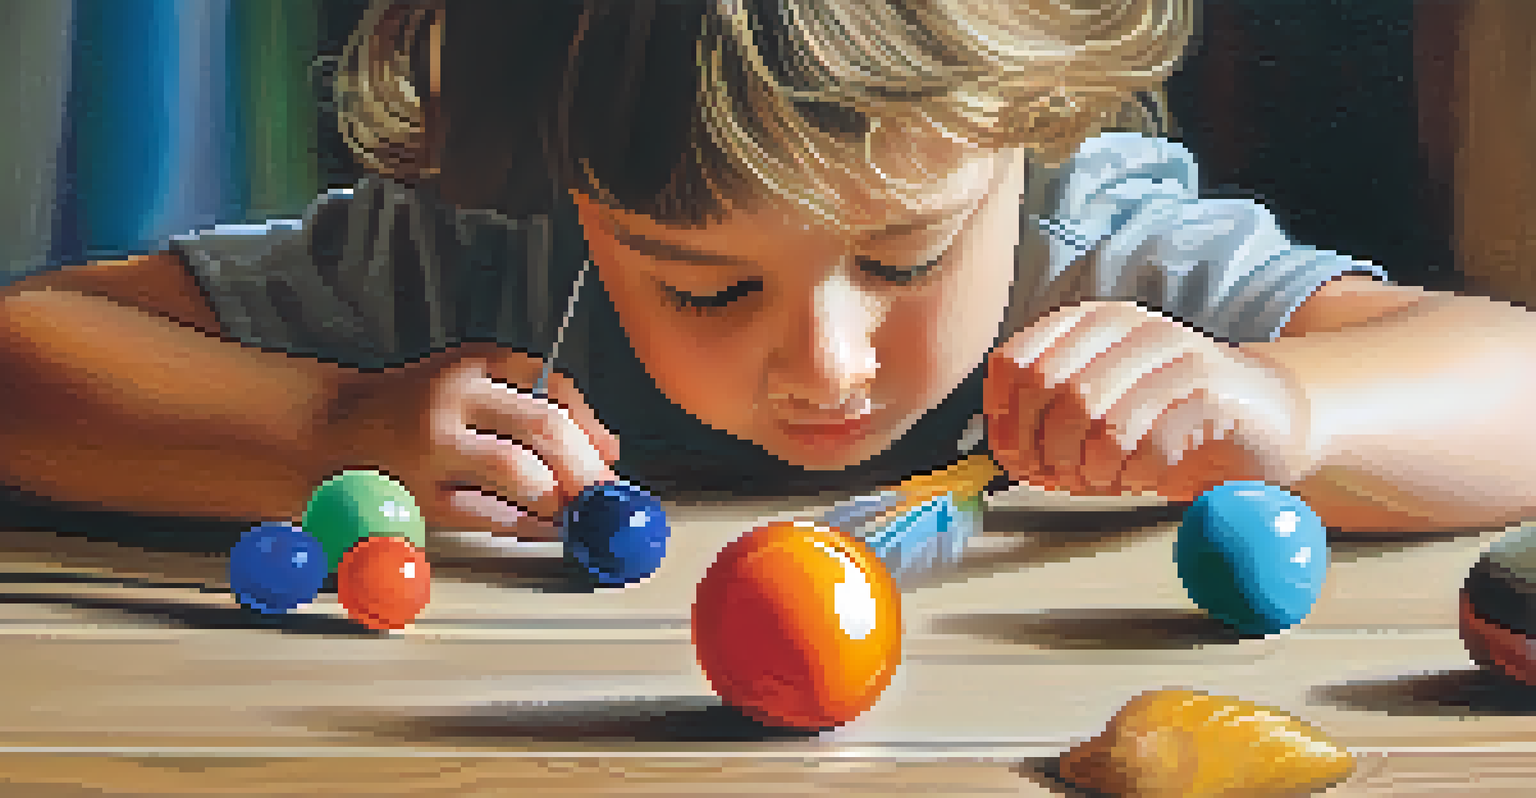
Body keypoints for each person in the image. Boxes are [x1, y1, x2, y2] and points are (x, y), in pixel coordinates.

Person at [2, 0, 1532, 551]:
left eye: (905, 255)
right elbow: (26, 351)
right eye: (708, 288)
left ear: (1018, 136)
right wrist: (326, 426)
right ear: (575, 200)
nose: (829, 365)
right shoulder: (487, 262)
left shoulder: (1094, 247)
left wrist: (1285, 407)